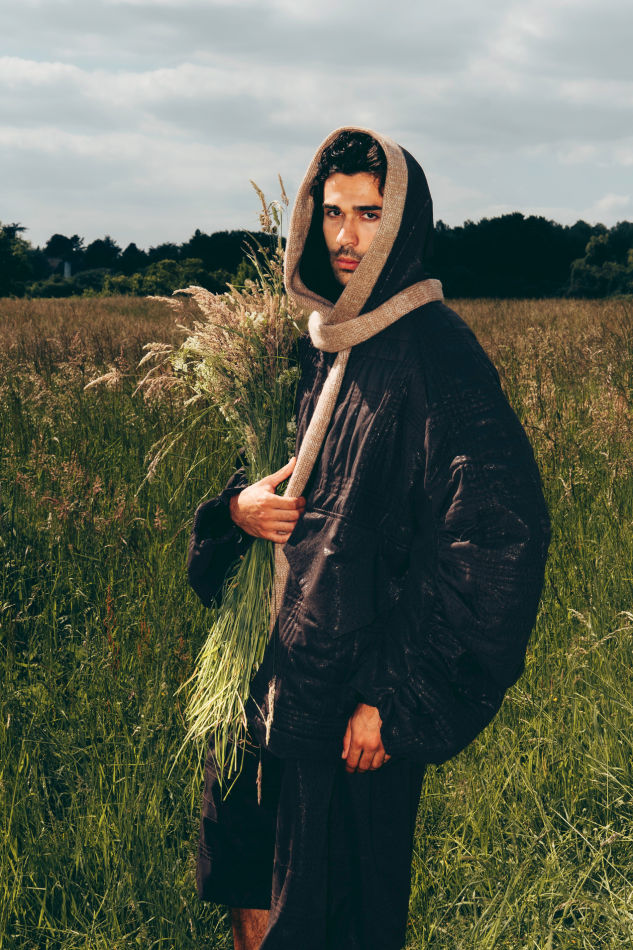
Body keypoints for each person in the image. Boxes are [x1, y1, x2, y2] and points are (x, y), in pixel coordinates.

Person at [186, 127, 551, 950]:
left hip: (347, 695)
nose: (346, 236)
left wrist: (395, 696)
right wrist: (238, 510)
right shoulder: (313, 343)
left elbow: (496, 537)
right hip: (264, 673)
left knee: (329, 918)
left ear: (404, 223)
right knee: (246, 885)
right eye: (332, 212)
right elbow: (264, 473)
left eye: (369, 214)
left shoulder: (438, 354)